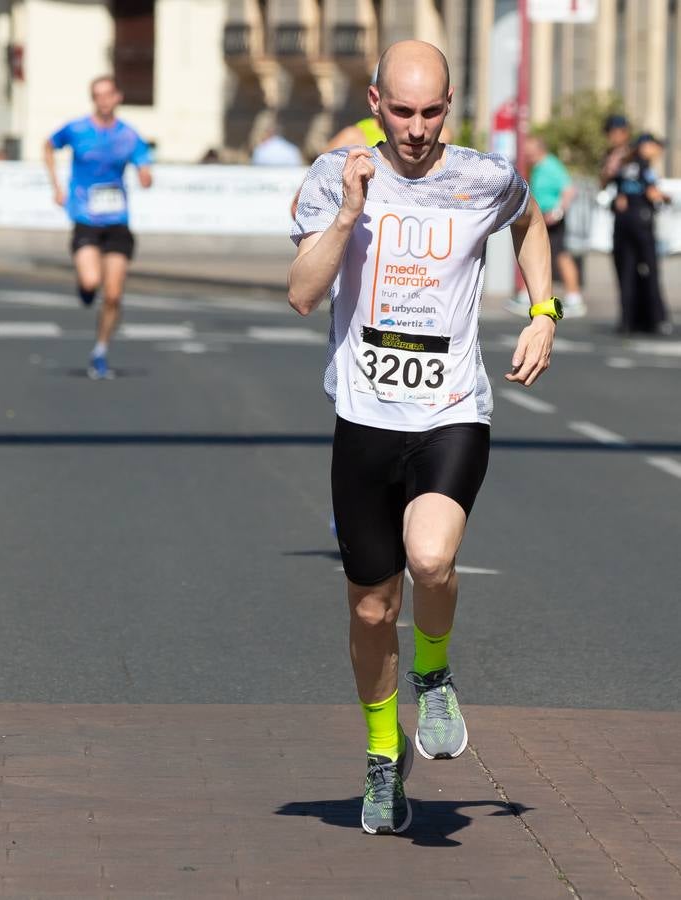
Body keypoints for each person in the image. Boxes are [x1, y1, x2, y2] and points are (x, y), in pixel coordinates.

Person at [288, 40, 557, 835]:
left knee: (432, 556)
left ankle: (433, 674)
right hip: (364, 419)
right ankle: (382, 759)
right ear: (374, 103)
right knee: (372, 611)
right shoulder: (330, 176)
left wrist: (543, 314)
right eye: (399, 111)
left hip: (449, 411)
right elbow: (304, 296)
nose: (414, 128)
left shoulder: (483, 176)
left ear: (450, 105)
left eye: (430, 111)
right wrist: (346, 208)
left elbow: (530, 222)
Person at [43, 75, 152, 379]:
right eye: (97, 96)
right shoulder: (77, 129)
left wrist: (146, 176)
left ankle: (100, 350)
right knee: (91, 282)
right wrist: (56, 186)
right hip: (85, 218)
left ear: (118, 97)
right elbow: (48, 146)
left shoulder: (129, 135)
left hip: (117, 221)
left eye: (108, 95)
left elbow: (144, 163)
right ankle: (85, 287)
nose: (103, 101)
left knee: (114, 295)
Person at [505, 135, 587, 318]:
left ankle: (574, 297)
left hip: (552, 219)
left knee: (560, 255)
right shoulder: (538, 167)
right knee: (537, 254)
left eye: (529, 149)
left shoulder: (551, 165)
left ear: (539, 148)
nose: (526, 153)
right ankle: (528, 295)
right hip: (540, 218)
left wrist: (558, 211)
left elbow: (569, 189)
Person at [602, 124, 672, 335]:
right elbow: (652, 192)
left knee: (626, 272)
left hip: (622, 224)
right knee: (649, 271)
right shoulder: (643, 165)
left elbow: (609, 184)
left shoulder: (623, 164)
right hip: (641, 223)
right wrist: (666, 198)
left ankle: (628, 320)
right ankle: (656, 320)